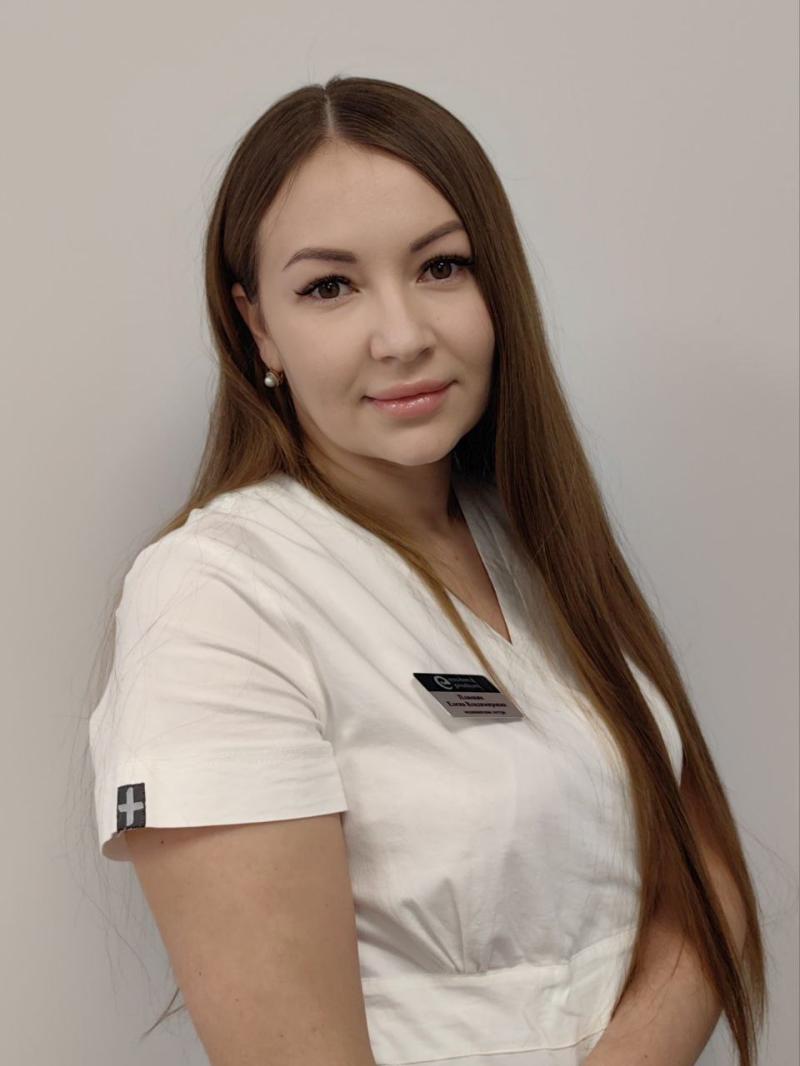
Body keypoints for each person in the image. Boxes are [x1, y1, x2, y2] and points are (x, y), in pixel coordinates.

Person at [88, 75, 766, 1066]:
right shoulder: (214, 598)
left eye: (441, 266)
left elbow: (703, 880)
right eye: (329, 287)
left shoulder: (532, 542)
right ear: (257, 326)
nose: (403, 336)